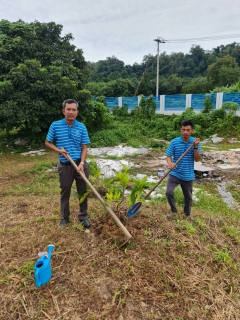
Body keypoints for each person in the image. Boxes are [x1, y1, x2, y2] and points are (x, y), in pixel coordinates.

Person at [45, 99, 91, 228]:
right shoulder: (55, 125)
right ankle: (65, 218)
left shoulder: (81, 127)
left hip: (80, 165)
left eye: (74, 110)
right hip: (65, 166)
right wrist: (58, 150)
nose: (71, 112)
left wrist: (82, 163)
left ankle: (83, 216)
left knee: (83, 191)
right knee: (65, 192)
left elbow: (84, 147)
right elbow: (48, 142)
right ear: (63, 111)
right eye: (68, 109)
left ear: (77, 112)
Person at [165, 119, 201, 221]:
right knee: (168, 192)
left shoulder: (195, 142)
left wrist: (195, 147)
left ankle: (187, 214)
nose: (185, 132)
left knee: (188, 198)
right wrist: (170, 163)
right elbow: (168, 155)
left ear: (192, 130)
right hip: (175, 173)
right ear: (181, 129)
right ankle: (173, 211)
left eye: (188, 130)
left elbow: (197, 159)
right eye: (183, 129)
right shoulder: (174, 142)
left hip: (188, 175)